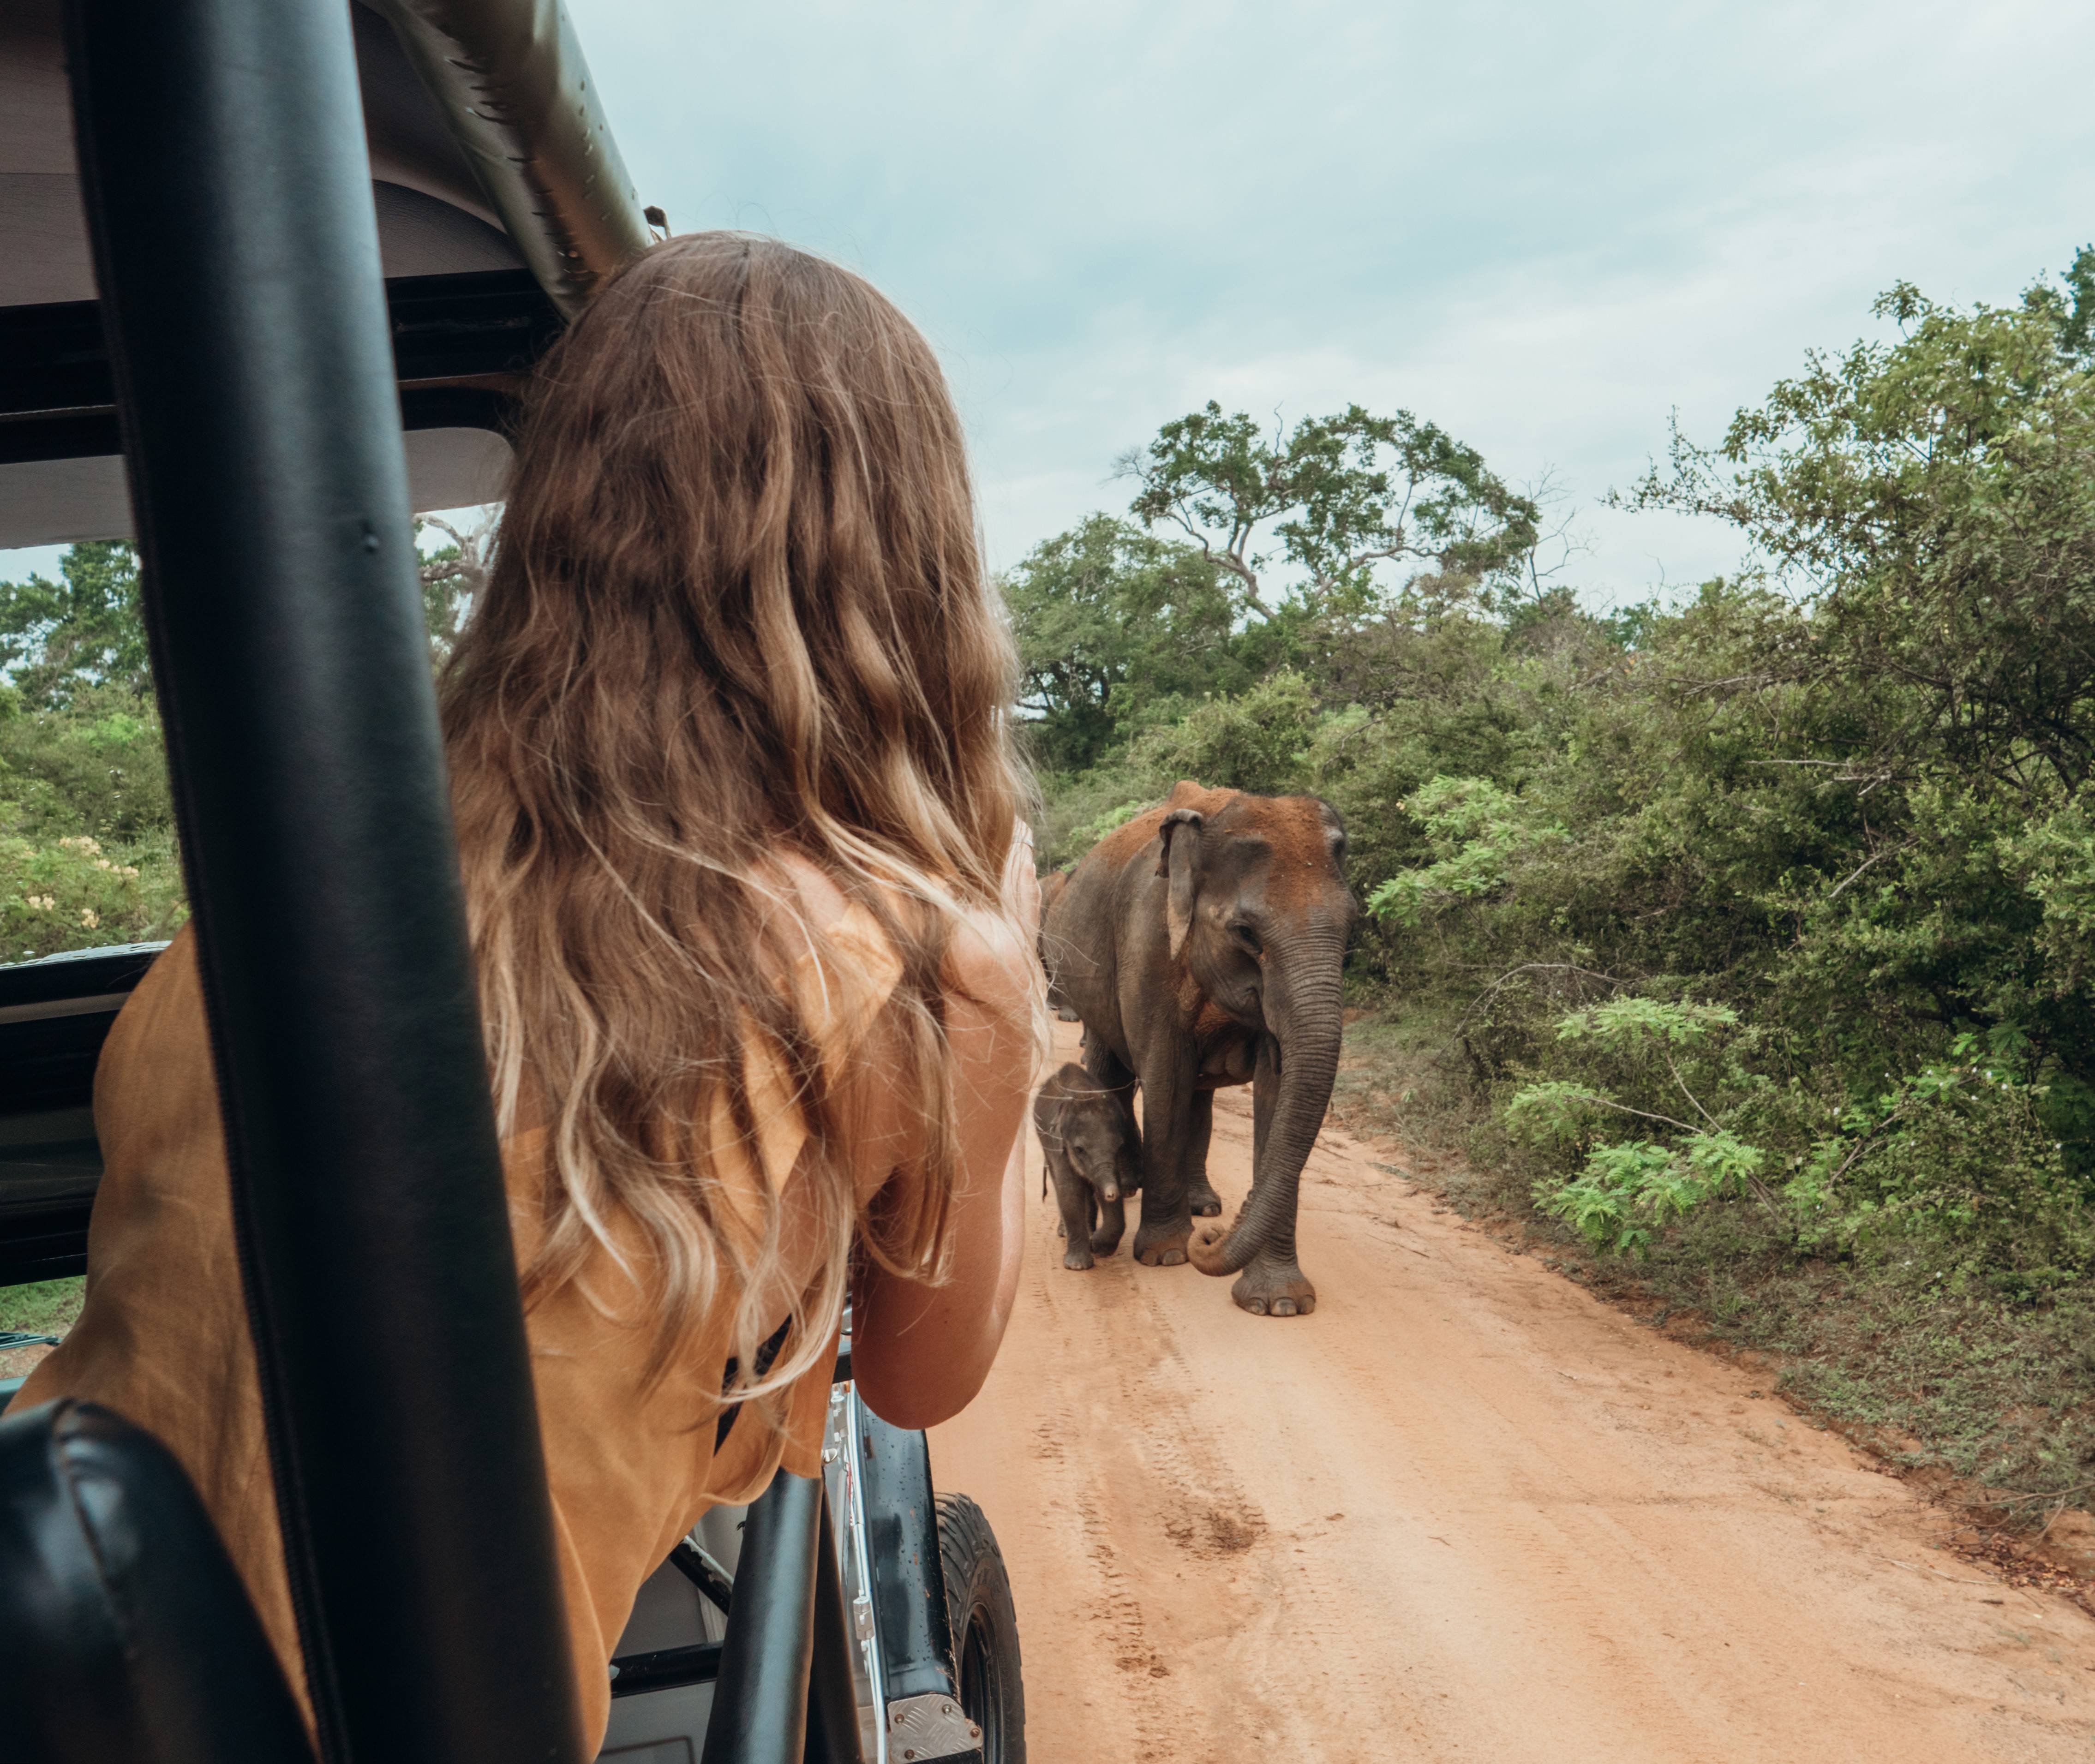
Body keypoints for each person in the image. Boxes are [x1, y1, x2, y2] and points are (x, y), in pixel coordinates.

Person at [18, 232, 1044, 1749]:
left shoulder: (286, 889)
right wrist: (998, 975)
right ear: (913, 556)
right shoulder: (904, 958)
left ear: (557, 510)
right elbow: (917, 1377)